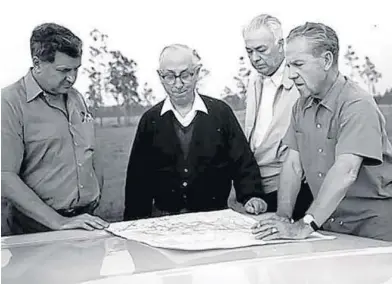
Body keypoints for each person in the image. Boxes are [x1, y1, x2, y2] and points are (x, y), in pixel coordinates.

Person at [252, 22, 392, 241]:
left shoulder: (357, 104)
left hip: (373, 230)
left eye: (298, 64)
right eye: (288, 66)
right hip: (330, 227)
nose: (291, 75)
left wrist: (304, 226)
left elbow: (346, 171)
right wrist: (283, 216)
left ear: (326, 60)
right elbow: (292, 165)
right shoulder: (300, 106)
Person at [123, 44, 266, 220]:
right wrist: (134, 224)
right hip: (165, 221)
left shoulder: (221, 113)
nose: (178, 83)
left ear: (197, 72)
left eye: (185, 75)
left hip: (215, 220)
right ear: (160, 76)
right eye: (169, 76)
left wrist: (252, 195)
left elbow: (242, 161)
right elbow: (138, 180)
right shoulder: (150, 120)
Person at [1, 23, 109, 234]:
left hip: (85, 222)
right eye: (63, 70)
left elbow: (91, 153)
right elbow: (4, 176)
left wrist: (93, 201)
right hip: (35, 230)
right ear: (37, 63)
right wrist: (59, 222)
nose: (72, 78)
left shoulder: (76, 98)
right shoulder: (9, 103)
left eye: (76, 69)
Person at [241, 14, 313, 219]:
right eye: (249, 51)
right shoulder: (254, 81)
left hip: (293, 190)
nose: (254, 58)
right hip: (256, 189)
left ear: (281, 44)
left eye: (261, 50)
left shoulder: (301, 82)